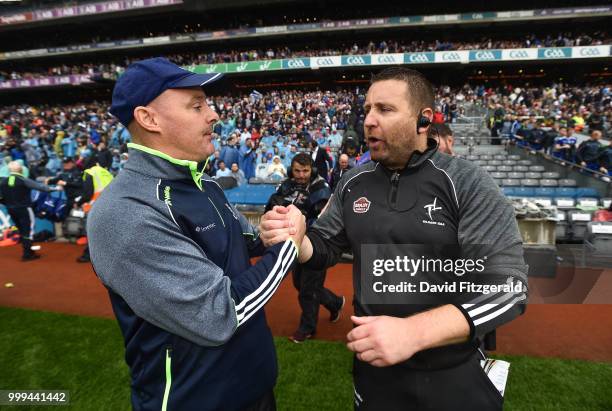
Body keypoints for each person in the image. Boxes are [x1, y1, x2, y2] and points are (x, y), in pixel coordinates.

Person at [261, 67, 528, 410]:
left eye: (385, 110)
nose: (369, 120)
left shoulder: (468, 183)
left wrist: (413, 333)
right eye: (368, 109)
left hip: (454, 373)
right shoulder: (352, 183)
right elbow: (324, 247)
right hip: (375, 374)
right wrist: (299, 239)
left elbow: (509, 287)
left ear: (423, 120)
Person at [87, 57, 306, 411]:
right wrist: (288, 247)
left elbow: (237, 244)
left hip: (255, 388)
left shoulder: (205, 184)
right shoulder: (123, 211)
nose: (214, 115)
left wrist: (267, 235)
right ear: (149, 118)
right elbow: (218, 313)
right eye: (197, 105)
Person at [265, 153, 344, 343]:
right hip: (295, 242)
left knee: (308, 290)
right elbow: (273, 203)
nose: (301, 175)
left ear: (312, 169)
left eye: (305, 171)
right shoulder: (288, 184)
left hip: (316, 243)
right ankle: (335, 303)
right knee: (300, 284)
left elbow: (323, 219)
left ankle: (307, 328)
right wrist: (275, 207)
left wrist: (301, 220)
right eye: (297, 170)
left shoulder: (320, 187)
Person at [0, 161, 62, 261]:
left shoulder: (3, 182)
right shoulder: (23, 180)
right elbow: (41, 187)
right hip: (24, 209)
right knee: (28, 231)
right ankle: (27, 254)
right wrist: (56, 188)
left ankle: (28, 251)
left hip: (11, 210)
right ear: (21, 169)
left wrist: (8, 203)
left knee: (21, 230)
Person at [75, 157, 114, 263]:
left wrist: (78, 202)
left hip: (96, 206)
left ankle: (88, 255)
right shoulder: (105, 171)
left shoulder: (89, 172)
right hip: (111, 205)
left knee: (91, 232)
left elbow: (88, 193)